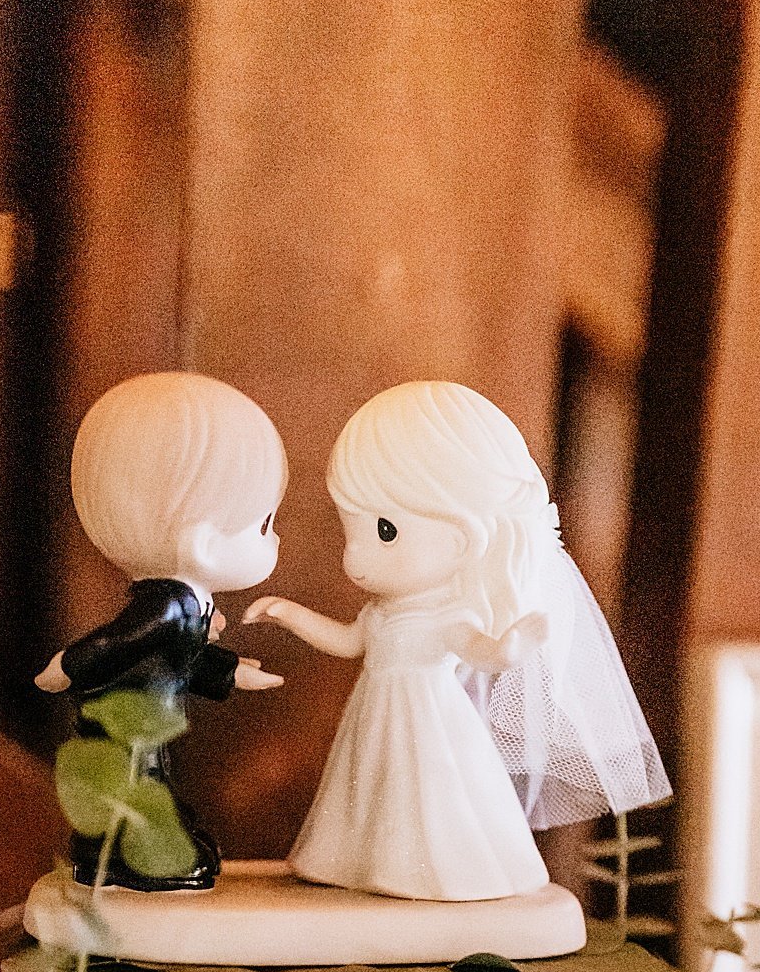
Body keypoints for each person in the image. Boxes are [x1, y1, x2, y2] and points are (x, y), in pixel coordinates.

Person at [246, 379, 667, 903]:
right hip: (374, 722)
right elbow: (349, 640)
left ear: (461, 538)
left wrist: (510, 645)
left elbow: (479, 649)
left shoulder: (449, 613)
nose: (354, 557)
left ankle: (424, 872)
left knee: (429, 800)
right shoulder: (382, 612)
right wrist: (290, 615)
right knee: (367, 794)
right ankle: (359, 861)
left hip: (427, 726)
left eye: (383, 531)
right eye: (349, 530)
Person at [37, 373, 287, 890]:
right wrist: (68, 665)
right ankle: (131, 857)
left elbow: (179, 659)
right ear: (204, 543)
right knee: (136, 781)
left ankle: (137, 848)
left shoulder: (182, 604)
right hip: (125, 716)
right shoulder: (167, 605)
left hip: (149, 714)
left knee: (149, 778)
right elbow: (120, 642)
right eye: (264, 524)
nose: (275, 537)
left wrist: (232, 669)